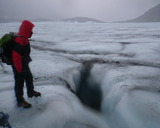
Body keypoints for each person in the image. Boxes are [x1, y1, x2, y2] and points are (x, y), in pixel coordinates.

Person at [12, 20, 41, 108]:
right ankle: (20, 101)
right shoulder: (19, 39)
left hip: (23, 63)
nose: (32, 31)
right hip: (18, 65)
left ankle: (31, 92)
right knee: (19, 81)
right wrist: (19, 69)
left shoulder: (24, 38)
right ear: (26, 29)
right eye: (30, 29)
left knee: (29, 77)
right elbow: (16, 56)